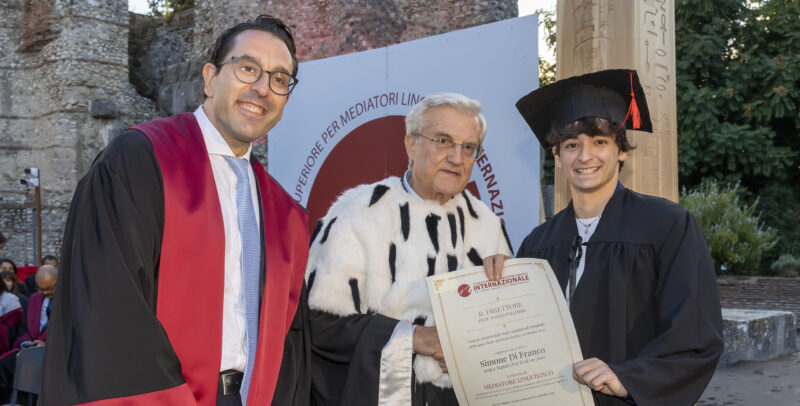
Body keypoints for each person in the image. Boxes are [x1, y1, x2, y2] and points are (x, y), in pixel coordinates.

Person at [42, 15, 311, 406]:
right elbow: (109, 309)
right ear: (209, 78)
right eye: (247, 68)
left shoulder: (286, 215)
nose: (261, 89)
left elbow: (292, 347)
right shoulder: (140, 161)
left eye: (279, 80)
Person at [485, 69, 723, 405]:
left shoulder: (667, 226)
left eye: (600, 142)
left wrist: (628, 377)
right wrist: (497, 288)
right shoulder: (537, 243)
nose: (585, 156)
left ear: (621, 151)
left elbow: (695, 333)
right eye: (571, 145)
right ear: (557, 156)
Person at [306, 93, 513, 406]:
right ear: (411, 144)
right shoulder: (358, 213)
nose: (457, 157)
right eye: (443, 140)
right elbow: (320, 326)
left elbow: (507, 334)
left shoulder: (487, 225)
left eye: (468, 147)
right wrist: (415, 338)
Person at [0, 265, 56, 401]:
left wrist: (46, 344)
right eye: (41, 289)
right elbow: (25, 327)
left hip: (54, 351)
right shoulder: (35, 299)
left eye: (50, 288)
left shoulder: (69, 301)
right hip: (31, 347)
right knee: (4, 364)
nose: (45, 293)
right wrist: (25, 342)